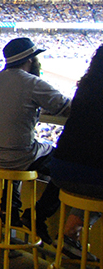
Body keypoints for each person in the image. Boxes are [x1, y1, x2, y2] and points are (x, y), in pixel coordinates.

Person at [0, 37, 71, 244]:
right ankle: (38, 214)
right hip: (13, 157)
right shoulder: (32, 82)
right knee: (64, 165)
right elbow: (65, 107)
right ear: (30, 60)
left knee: (17, 149)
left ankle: (9, 212)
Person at [49, 44, 103, 259]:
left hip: (60, 170)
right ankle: (71, 234)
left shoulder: (86, 86)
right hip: (91, 176)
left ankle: (70, 234)